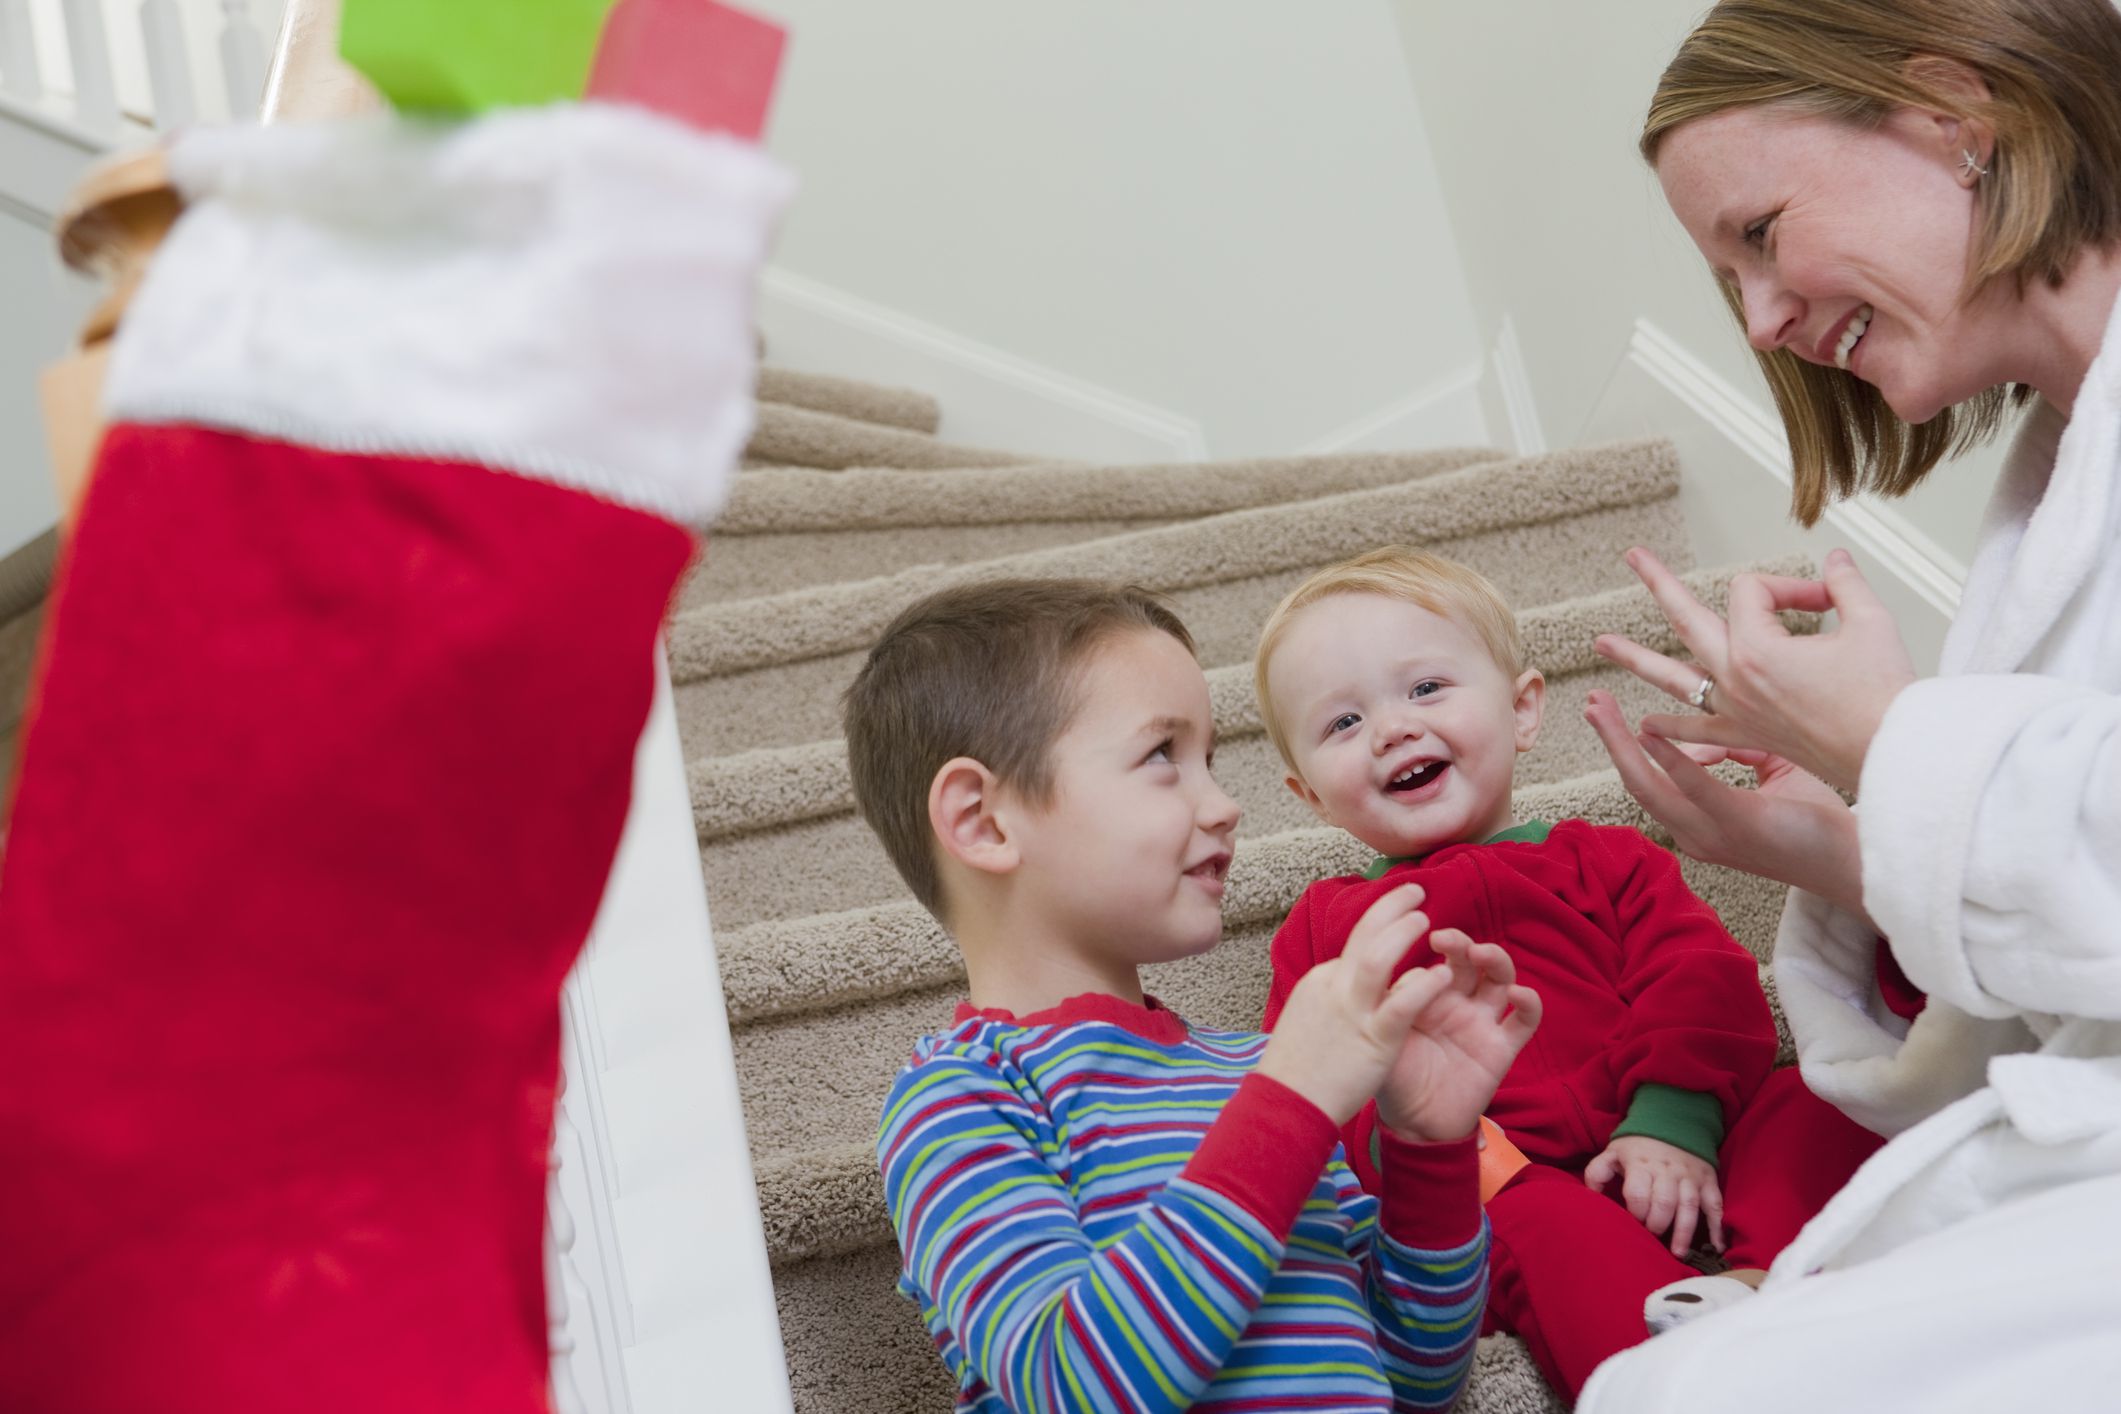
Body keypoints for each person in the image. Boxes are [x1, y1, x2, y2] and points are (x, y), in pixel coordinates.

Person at [1574, 0, 2121, 1405]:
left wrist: (1891, 743)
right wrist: (1844, 849)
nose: (1760, 321)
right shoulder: (2047, 515)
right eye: (1728, 281)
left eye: (1757, 234)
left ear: (1953, 118)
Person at [847, 578, 1543, 1413]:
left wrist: (1428, 1149)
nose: (1223, 805)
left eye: (1207, 761)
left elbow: (1416, 1377)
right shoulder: (962, 1097)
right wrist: (1287, 1106)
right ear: (984, 821)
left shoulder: (1256, 1066)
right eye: (1159, 758)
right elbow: (1079, 1387)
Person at [1254, 547, 1881, 1404]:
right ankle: (1670, 1385)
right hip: (1500, 1185)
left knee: (1817, 1097)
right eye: (1341, 724)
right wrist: (1456, 1163)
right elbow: (1309, 1089)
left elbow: (1701, 980)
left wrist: (1671, 1122)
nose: (1392, 729)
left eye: (1426, 689)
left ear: (1521, 711)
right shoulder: (1325, 929)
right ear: (1308, 796)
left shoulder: (1606, 859)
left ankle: (1767, 1276)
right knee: (1540, 1226)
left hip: (1679, 1135)